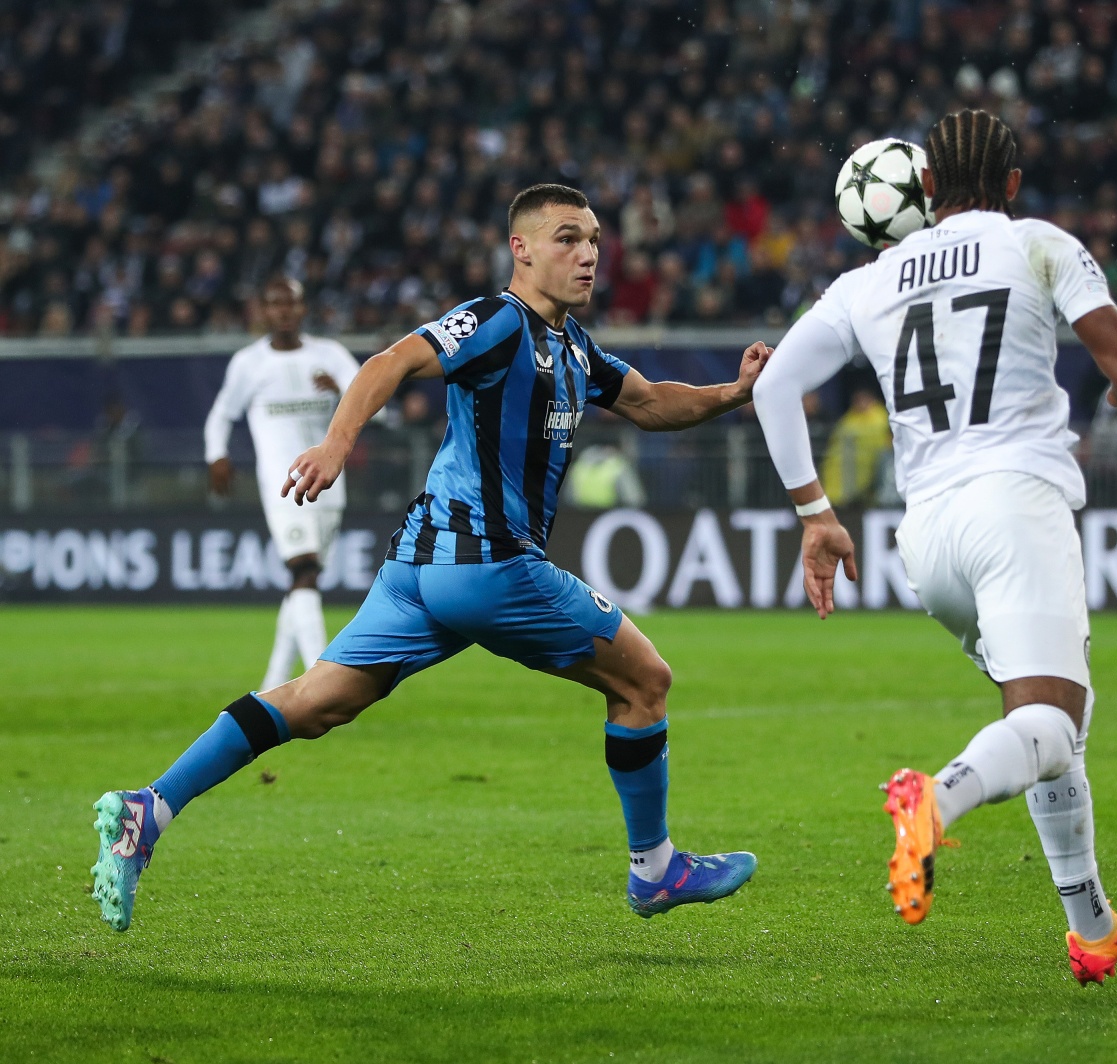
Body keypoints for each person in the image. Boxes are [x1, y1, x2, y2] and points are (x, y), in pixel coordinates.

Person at [91, 184, 768, 932]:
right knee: (646, 682)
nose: (588, 255)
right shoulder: (495, 322)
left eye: (596, 240)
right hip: (489, 565)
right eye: (568, 239)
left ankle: (149, 807)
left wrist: (736, 392)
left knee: (316, 702)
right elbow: (391, 361)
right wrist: (336, 445)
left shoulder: (575, 349)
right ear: (522, 249)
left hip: (421, 567)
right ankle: (656, 869)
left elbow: (650, 403)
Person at [752, 110, 1117, 986]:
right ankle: (933, 802)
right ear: (1012, 185)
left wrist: (815, 514)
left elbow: (775, 388)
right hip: (1016, 506)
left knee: (1051, 725)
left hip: (927, 540)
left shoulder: (865, 283)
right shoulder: (1038, 243)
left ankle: (1094, 930)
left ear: (926, 189)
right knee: (1050, 722)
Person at [204, 277, 362, 690]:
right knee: (304, 568)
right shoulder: (248, 363)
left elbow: (375, 409)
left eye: (290, 303)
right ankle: (320, 676)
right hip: (283, 486)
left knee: (303, 583)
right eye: (274, 304)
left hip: (329, 485)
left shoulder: (331, 355)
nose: (283, 311)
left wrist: (345, 390)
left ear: (302, 308)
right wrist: (216, 455)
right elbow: (222, 414)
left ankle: (274, 682)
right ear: (263, 310)